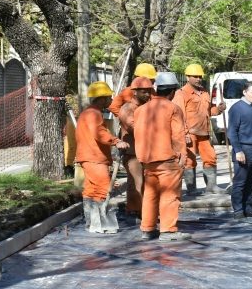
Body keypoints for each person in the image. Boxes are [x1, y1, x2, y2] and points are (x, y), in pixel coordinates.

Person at [133, 72, 191, 242]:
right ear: (173, 91)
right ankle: (168, 231)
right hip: (167, 160)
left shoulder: (140, 110)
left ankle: (148, 229)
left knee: (150, 194)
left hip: (147, 160)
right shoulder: (173, 108)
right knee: (169, 194)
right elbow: (178, 136)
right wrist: (183, 156)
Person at [75, 81, 130, 233]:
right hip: (94, 158)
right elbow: (99, 133)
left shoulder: (88, 112)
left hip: (89, 157)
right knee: (104, 190)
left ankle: (92, 224)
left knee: (91, 190)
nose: (111, 100)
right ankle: (102, 225)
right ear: (102, 98)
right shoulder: (94, 114)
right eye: (109, 97)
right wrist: (116, 141)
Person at [172, 63, 226, 195]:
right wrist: (184, 133)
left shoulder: (205, 92)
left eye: (200, 76)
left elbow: (209, 111)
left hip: (204, 132)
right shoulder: (181, 94)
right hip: (190, 133)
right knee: (190, 161)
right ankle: (192, 189)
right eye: (195, 76)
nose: (198, 79)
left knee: (211, 157)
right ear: (187, 77)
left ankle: (211, 186)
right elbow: (179, 115)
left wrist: (218, 110)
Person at [117, 77, 154, 219]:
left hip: (145, 151)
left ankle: (144, 211)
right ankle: (134, 210)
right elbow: (135, 128)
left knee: (146, 183)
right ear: (135, 92)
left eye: (149, 91)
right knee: (137, 183)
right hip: (132, 153)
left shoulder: (145, 107)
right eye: (144, 92)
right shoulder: (127, 109)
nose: (148, 95)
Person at [227, 82, 252, 219]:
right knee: (240, 181)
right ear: (245, 92)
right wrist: (238, 151)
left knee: (251, 180)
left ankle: (247, 206)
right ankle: (238, 209)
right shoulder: (237, 108)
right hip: (244, 148)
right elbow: (232, 132)